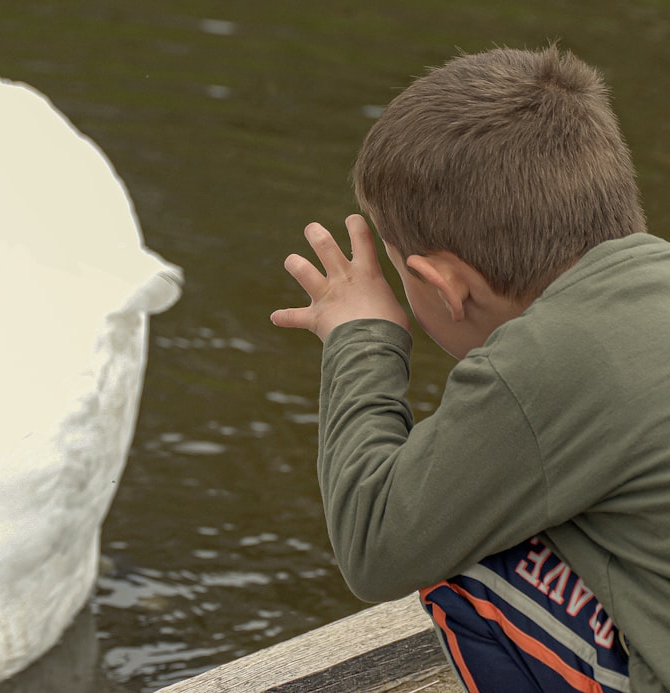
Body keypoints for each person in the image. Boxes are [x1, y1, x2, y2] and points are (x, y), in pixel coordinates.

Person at [270, 45, 670, 692]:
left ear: (443, 284)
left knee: (457, 546)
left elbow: (377, 539)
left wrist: (361, 335)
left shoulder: (542, 364)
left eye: (402, 278)